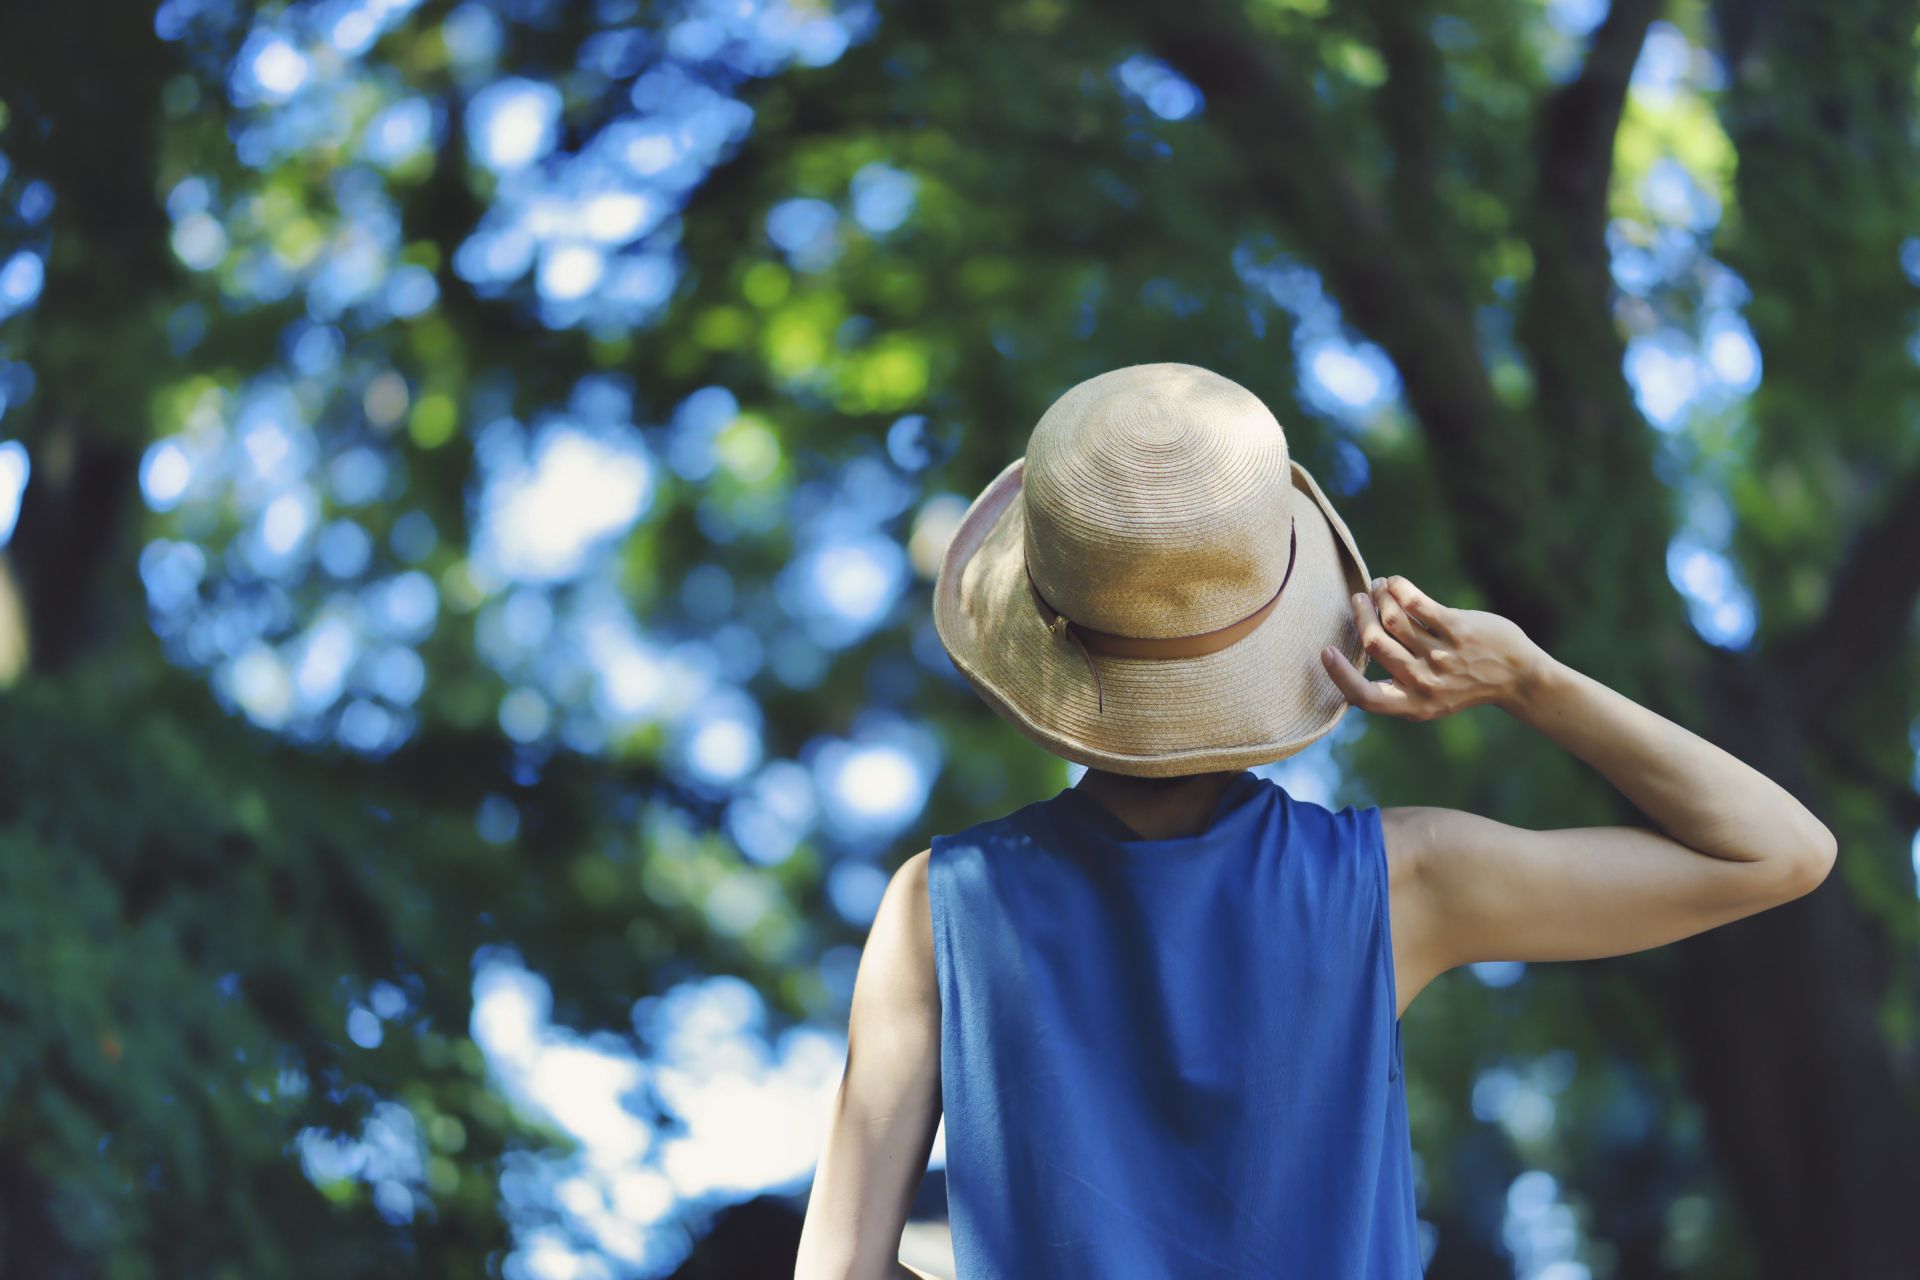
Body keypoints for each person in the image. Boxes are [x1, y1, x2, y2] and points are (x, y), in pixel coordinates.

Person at [792, 363, 1835, 1279]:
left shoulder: (942, 908)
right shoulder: (1398, 882)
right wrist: (1531, 678)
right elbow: (1779, 849)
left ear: (1049, 637)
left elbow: (835, 1266)